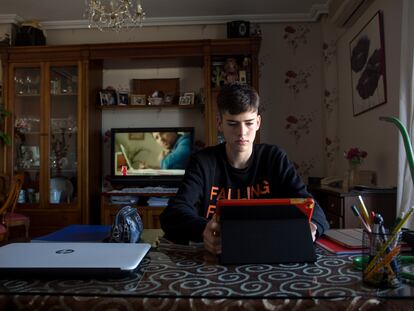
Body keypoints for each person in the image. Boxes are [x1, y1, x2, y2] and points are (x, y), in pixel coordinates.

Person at [159, 83, 329, 254]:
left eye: (249, 123)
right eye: (233, 124)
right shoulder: (203, 162)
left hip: (270, 255)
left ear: (258, 122)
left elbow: (314, 209)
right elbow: (172, 214)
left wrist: (311, 227)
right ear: (219, 123)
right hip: (217, 260)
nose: (242, 133)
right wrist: (204, 230)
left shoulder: (274, 158)